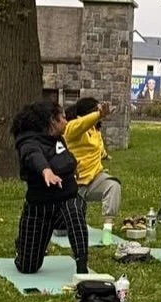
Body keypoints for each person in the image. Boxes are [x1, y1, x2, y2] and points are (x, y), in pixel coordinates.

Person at [11, 99, 90, 277]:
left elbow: (65, 159)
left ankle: (82, 266)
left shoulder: (58, 139)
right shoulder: (28, 142)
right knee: (28, 267)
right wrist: (46, 171)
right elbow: (33, 156)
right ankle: (21, 246)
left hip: (65, 205)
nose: (66, 121)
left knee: (74, 208)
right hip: (39, 209)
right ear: (52, 120)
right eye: (63, 117)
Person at [64, 98, 121, 239]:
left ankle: (107, 232)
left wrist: (105, 155)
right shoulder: (72, 128)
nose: (99, 114)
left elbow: (97, 149)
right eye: (96, 110)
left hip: (94, 180)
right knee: (63, 231)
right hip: (73, 185)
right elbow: (82, 124)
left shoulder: (96, 131)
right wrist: (98, 114)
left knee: (113, 186)